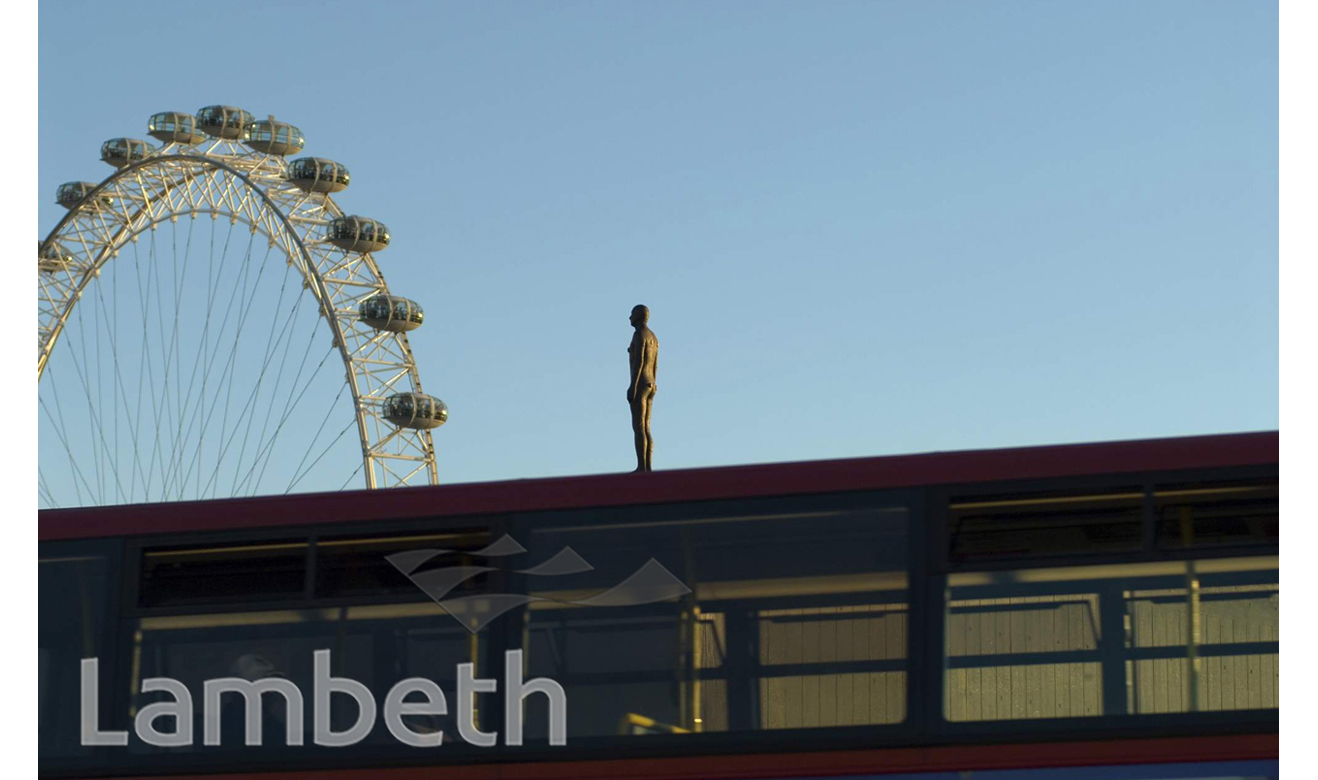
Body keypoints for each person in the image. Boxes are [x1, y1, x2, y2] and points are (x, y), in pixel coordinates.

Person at [627, 305, 659, 472]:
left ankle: (642, 466)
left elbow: (639, 362)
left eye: (632, 314)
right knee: (646, 425)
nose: (629, 318)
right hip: (651, 382)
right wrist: (654, 382)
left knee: (639, 426)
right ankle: (647, 466)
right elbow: (655, 364)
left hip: (640, 383)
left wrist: (632, 386)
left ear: (638, 317)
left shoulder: (639, 335)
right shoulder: (653, 337)